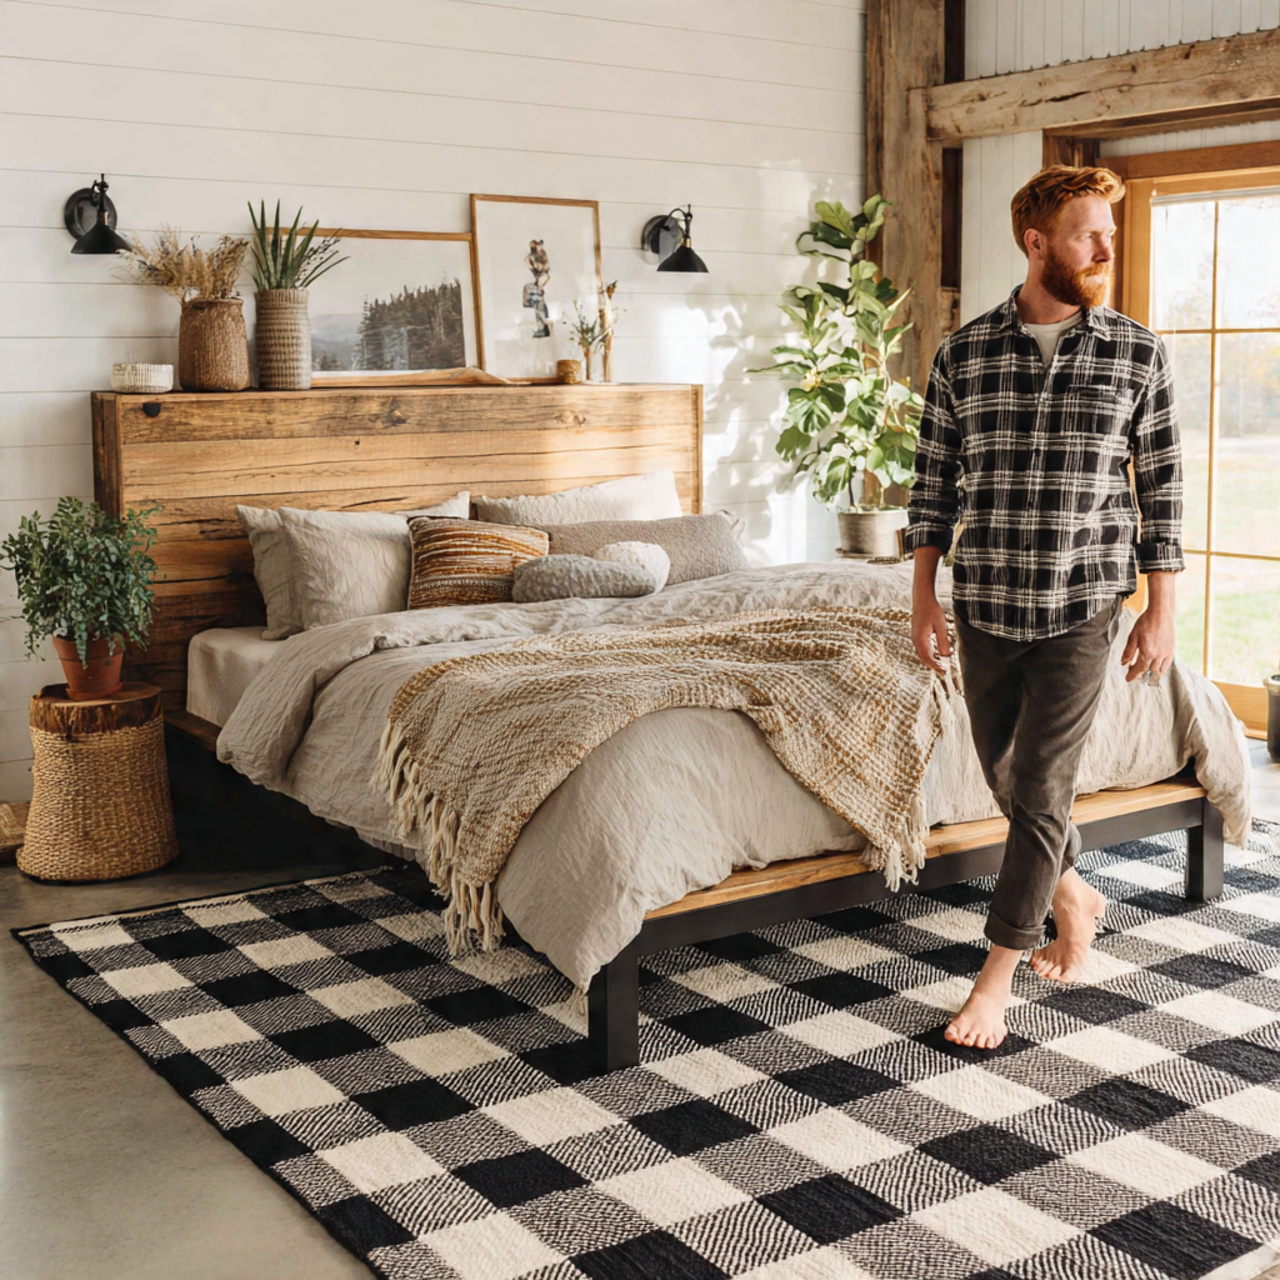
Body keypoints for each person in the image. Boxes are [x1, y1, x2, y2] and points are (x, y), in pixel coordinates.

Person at [904, 165, 1183, 1049]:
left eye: (1108, 231)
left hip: (1086, 599)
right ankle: (1073, 893)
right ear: (1035, 243)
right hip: (985, 596)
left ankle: (996, 973)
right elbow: (931, 487)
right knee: (1009, 777)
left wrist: (1160, 608)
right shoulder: (963, 352)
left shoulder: (1139, 352)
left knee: (1043, 784)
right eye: (1086, 233)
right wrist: (923, 595)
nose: (1105, 248)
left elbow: (1164, 493)